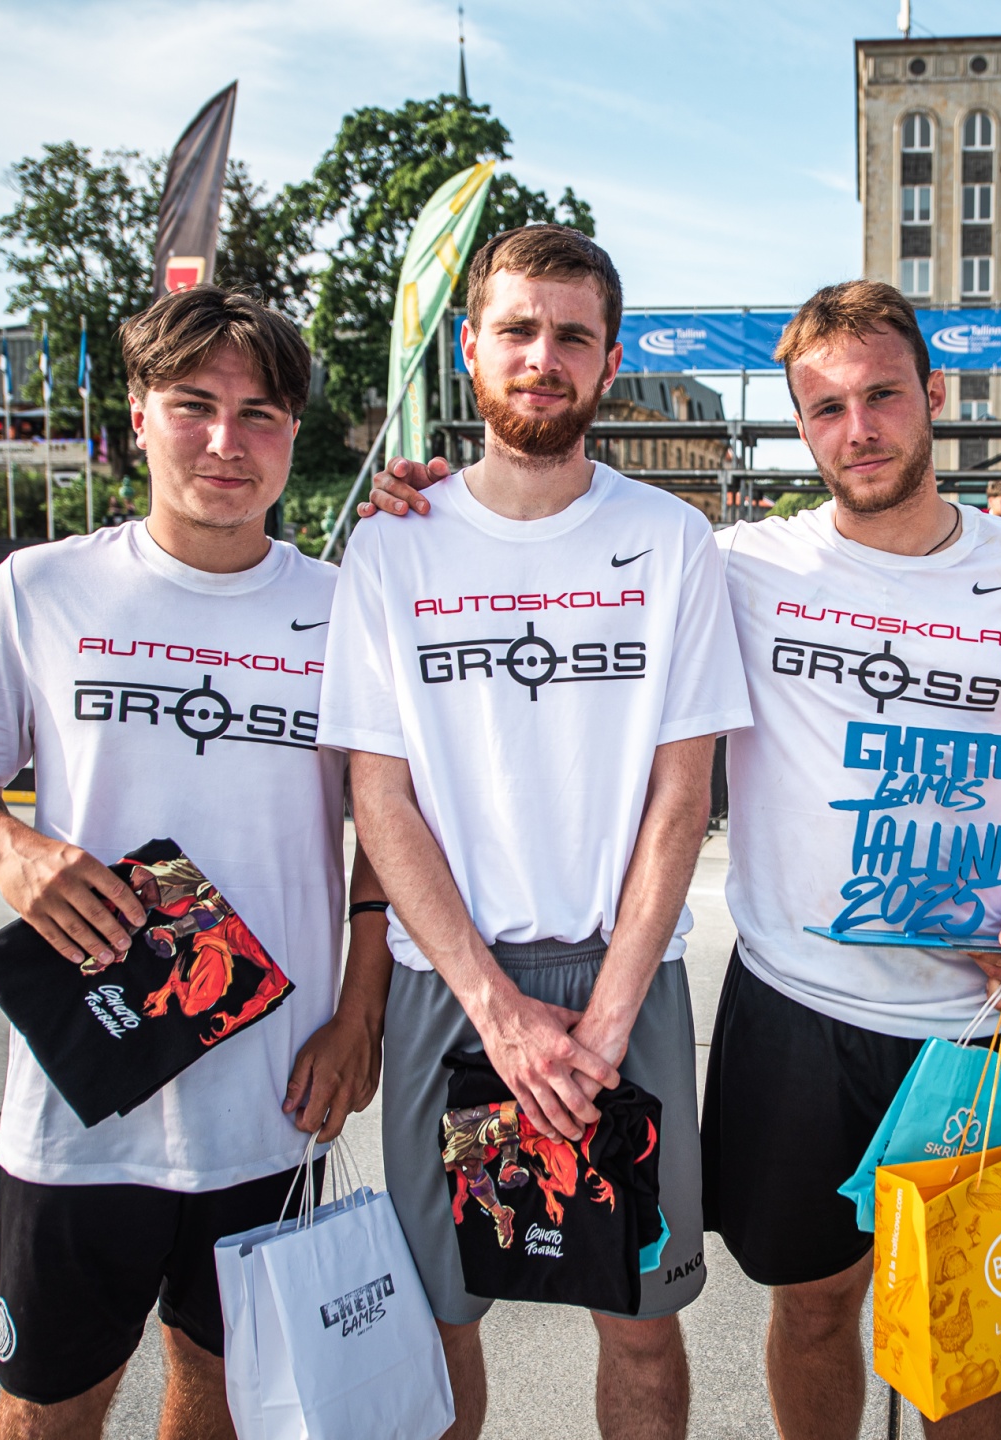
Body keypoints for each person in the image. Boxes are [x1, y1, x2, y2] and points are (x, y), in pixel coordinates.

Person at [359, 279, 1001, 1440]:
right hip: (799, 1010)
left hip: (982, 1019)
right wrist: (430, 496)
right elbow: (547, 540)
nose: (858, 429)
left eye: (882, 396)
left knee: (977, 1332)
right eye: (826, 408)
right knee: (810, 1309)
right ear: (799, 424)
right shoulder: (738, 562)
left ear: (932, 394)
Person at [0, 285, 390, 1440]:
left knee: (221, 1395)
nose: (226, 441)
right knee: (47, 1407)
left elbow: (385, 839)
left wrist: (357, 1016)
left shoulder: (347, 612)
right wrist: (12, 852)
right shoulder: (40, 590)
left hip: (273, 1092)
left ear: (293, 434)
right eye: (192, 406)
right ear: (137, 416)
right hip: (84, 1097)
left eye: (259, 413)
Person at [316, 225, 753, 1440]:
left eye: (572, 335)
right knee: (438, 1315)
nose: (541, 357)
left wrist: (603, 1022)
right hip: (450, 985)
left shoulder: (669, 540)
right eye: (516, 329)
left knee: (640, 1318)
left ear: (609, 361)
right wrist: (497, 1010)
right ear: (469, 348)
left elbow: (682, 799)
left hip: (623, 981)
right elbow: (380, 800)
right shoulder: (393, 543)